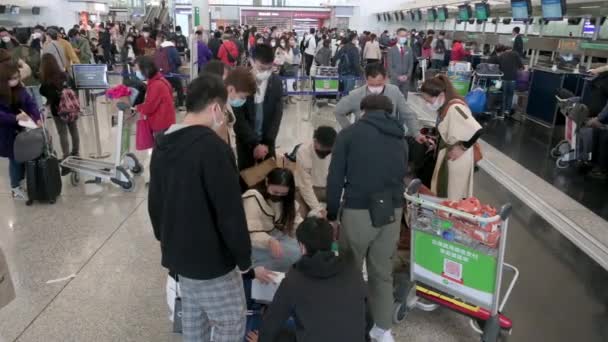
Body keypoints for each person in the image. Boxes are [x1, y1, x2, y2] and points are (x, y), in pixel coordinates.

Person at [148, 74, 252, 342]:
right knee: (230, 321)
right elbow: (230, 215)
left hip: (180, 259)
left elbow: (155, 205)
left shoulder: (162, 145)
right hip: (212, 262)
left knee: (195, 321)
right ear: (216, 108)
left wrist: (168, 242)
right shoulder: (213, 150)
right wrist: (243, 259)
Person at [327, 94, 406, 342]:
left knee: (348, 270)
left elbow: (335, 178)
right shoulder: (400, 138)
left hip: (359, 211)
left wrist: (332, 215)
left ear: (362, 111)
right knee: (382, 272)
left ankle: (346, 323)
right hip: (392, 212)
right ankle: (383, 330)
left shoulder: (349, 134)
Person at [251, 217, 367, 342]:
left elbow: (272, 322)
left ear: (302, 247)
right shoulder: (353, 272)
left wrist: (261, 339)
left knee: (281, 335)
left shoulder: (294, 280)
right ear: (332, 241)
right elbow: (368, 317)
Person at [420, 75, 483, 199]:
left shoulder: (456, 108)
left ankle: (451, 216)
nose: (427, 104)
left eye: (429, 100)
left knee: (453, 192)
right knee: (445, 189)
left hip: (457, 157)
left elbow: (477, 130)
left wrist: (462, 148)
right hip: (448, 154)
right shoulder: (445, 107)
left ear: (441, 95)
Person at [335, 63, 422, 143]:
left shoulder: (394, 91)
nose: (376, 88)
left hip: (389, 139)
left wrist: (416, 134)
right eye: (372, 85)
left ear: (385, 79)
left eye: (379, 84)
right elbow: (338, 111)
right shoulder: (356, 95)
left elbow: (407, 114)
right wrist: (351, 131)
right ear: (366, 79)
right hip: (365, 140)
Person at [233, 44, 284, 171]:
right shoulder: (240, 81)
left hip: (268, 142)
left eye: (269, 68)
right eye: (261, 68)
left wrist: (267, 142)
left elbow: (277, 113)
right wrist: (254, 144)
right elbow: (238, 117)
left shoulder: (276, 82)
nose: (265, 72)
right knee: (246, 178)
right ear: (251, 61)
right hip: (246, 141)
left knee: (268, 175)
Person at [242, 168, 301, 273]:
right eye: (275, 192)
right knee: (292, 255)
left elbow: (296, 222)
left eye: (282, 194)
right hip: (255, 241)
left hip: (276, 237)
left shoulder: (287, 201)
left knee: (300, 251)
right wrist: (269, 240)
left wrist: (309, 232)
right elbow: (250, 233)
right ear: (266, 182)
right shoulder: (253, 196)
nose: (278, 196)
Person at [0, 62, 41, 199]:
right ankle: (15, 187)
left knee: (24, 156)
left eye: (17, 77)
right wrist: (15, 117)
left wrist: (36, 117)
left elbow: (31, 104)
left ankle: (22, 181)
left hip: (24, 130)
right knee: (15, 159)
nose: (16, 81)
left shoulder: (21, 90)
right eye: (12, 78)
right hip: (7, 133)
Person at [39, 53, 80, 163]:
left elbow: (43, 92)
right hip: (71, 108)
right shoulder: (64, 75)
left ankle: (66, 156)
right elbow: (74, 86)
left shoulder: (46, 82)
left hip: (58, 111)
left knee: (63, 133)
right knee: (74, 129)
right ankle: (76, 152)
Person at [213, 66, 257, 161]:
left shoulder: (226, 105)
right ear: (231, 89)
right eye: (242, 97)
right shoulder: (215, 111)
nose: (243, 100)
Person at [294, 126, 336, 218]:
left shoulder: (336, 149)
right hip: (305, 189)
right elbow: (305, 186)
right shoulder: (304, 151)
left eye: (329, 150)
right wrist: (318, 208)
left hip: (327, 189)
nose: (326, 153)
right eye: (323, 149)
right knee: (299, 217)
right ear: (315, 141)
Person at [134, 56, 176, 139]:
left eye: (138, 69)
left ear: (145, 69)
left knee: (161, 150)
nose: (136, 72)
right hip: (166, 122)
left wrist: (138, 107)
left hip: (161, 124)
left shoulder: (156, 85)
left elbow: (149, 107)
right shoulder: (160, 80)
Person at [154, 33, 184, 107]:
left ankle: (166, 104)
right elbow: (178, 61)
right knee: (179, 87)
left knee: (165, 89)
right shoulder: (172, 48)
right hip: (172, 74)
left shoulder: (159, 49)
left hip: (161, 76)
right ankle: (181, 105)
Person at [494, 45, 524, 117]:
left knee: (503, 95)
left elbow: (498, 67)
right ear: (511, 49)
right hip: (512, 79)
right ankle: (507, 111)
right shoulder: (515, 54)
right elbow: (521, 66)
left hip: (503, 78)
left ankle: (502, 112)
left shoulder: (501, 55)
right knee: (510, 95)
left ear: (505, 50)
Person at [388, 28, 414, 100]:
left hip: (406, 80)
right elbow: (390, 67)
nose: (404, 37)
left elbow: (411, 64)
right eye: (402, 36)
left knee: (404, 99)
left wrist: (407, 75)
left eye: (405, 36)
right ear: (397, 36)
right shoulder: (391, 50)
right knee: (394, 99)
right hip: (395, 80)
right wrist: (397, 76)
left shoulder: (409, 49)